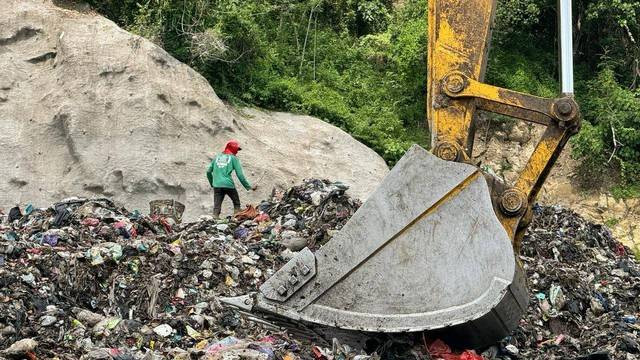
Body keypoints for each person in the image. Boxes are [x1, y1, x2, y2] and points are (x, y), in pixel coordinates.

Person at [206, 140, 256, 218]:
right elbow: (240, 175)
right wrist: (248, 187)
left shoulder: (216, 158)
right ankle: (237, 215)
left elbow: (208, 171)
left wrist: (212, 183)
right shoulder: (233, 158)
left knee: (216, 206)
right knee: (236, 203)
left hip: (217, 185)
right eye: (237, 149)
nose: (237, 152)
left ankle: (215, 219)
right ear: (233, 149)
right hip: (228, 185)